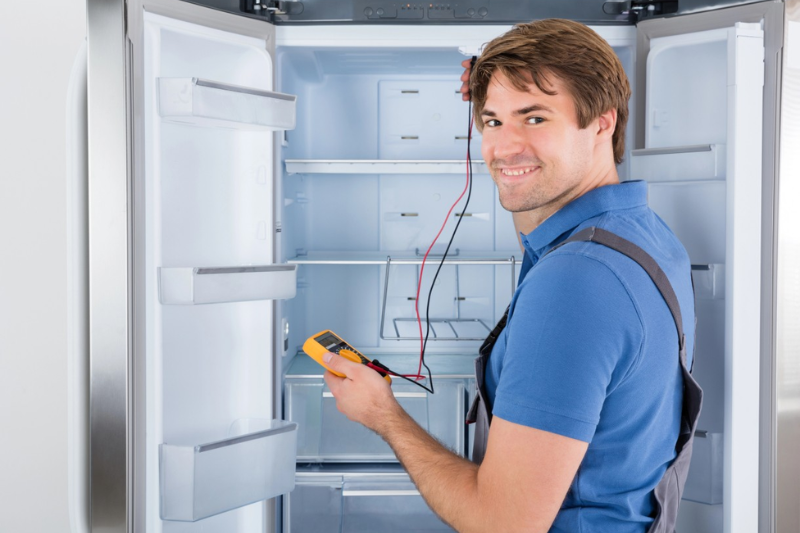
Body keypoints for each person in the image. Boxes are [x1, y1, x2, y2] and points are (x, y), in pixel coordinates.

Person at [322, 18, 701, 533]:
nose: (502, 146)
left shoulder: (575, 283)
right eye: (493, 121)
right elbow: (541, 219)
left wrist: (382, 415)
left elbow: (502, 523)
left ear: (602, 123)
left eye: (535, 117)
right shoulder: (639, 232)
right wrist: (504, 98)